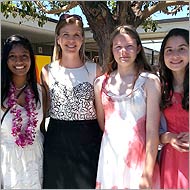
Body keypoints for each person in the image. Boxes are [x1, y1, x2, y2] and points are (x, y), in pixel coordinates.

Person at [94, 25, 161, 189]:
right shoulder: (100, 83)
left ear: (138, 48)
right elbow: (103, 124)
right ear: (112, 49)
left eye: (129, 46)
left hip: (140, 161)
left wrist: (147, 172)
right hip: (110, 160)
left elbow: (152, 131)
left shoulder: (150, 81)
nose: (123, 51)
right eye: (118, 47)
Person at [40, 13, 103, 189]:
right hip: (56, 142)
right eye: (66, 34)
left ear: (82, 39)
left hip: (89, 143)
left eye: (76, 35)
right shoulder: (47, 71)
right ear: (58, 39)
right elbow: (43, 111)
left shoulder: (95, 70)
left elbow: (102, 113)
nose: (71, 40)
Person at [1, 34, 47, 189]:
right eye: (12, 56)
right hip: (8, 164)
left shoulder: (41, 92)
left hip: (36, 161)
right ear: (5, 60)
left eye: (24, 56)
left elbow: (42, 128)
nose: (19, 61)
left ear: (31, 59)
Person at [158, 28, 189, 189]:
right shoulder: (160, 88)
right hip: (170, 161)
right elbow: (155, 133)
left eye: (182, 49)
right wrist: (169, 137)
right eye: (169, 50)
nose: (175, 55)